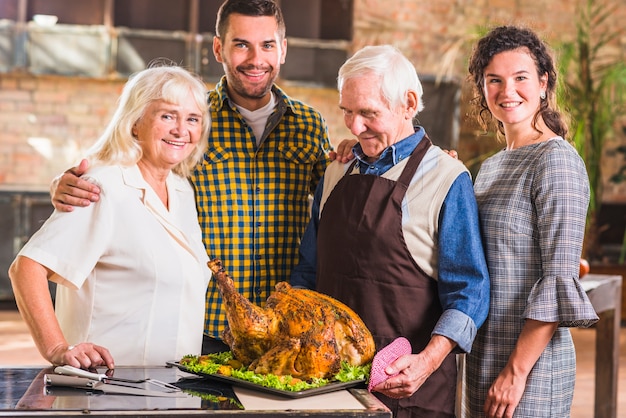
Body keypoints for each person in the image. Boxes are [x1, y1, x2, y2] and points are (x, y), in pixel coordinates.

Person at [48, 0, 339, 354]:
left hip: (283, 329)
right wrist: (67, 181)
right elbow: (127, 154)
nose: (255, 58)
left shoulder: (309, 125)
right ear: (219, 48)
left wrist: (364, 151)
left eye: (267, 45)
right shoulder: (191, 118)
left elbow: (336, 205)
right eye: (241, 44)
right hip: (205, 329)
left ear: (283, 50)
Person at [290, 44, 490, 418]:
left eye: (368, 113)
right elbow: (307, 271)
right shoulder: (335, 171)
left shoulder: (446, 178)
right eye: (346, 112)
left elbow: (469, 292)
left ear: (409, 103)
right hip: (326, 385)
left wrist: (427, 362)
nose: (353, 126)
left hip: (408, 390)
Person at [9, 64, 212, 369]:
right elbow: (26, 268)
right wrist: (57, 348)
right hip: (105, 390)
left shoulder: (181, 190)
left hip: (172, 390)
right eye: (167, 115)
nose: (181, 130)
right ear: (135, 124)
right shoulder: (103, 185)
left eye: (192, 119)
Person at [463, 26, 598, 418]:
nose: (508, 91)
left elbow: (558, 279)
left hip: (530, 368)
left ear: (543, 83)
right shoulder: (489, 167)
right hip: (484, 355)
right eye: (495, 80)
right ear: (483, 89)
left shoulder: (556, 161)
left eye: (520, 78)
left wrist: (516, 372)